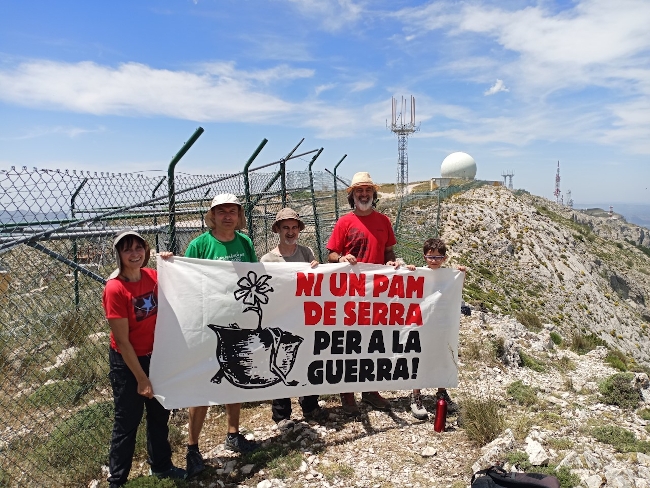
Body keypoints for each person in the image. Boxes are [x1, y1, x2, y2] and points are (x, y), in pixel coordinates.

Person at [183, 193, 260, 477]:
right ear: (212, 216)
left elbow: (256, 278)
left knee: (236, 378)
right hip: (208, 325)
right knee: (202, 386)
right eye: (221, 211)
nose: (227, 216)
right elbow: (185, 279)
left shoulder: (245, 242)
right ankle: (192, 447)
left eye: (232, 211)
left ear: (239, 216)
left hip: (238, 321)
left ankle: (233, 433)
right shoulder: (200, 245)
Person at [103, 230, 186, 487]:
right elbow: (123, 342)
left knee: (159, 416)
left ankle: (161, 466)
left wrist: (171, 262)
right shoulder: (115, 288)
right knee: (127, 422)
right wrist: (141, 379)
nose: (134, 254)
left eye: (139, 248)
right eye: (127, 249)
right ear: (118, 254)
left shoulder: (153, 276)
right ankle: (117, 480)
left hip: (156, 357)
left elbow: (185, 280)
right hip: (128, 363)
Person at [326, 171, 399, 416]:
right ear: (353, 195)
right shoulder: (344, 222)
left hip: (377, 294)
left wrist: (391, 263)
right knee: (349, 343)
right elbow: (331, 255)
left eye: (368, 190)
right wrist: (342, 257)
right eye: (359, 191)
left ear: (373, 194)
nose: (364, 194)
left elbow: (388, 251)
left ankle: (370, 391)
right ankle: (347, 395)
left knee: (373, 343)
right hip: (349, 294)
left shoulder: (384, 221)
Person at [260, 208, 329, 430]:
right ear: (278, 230)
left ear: (299, 230)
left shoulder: (306, 253)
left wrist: (317, 269)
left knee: (308, 359)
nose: (290, 232)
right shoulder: (267, 259)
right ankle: (281, 415)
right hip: (279, 320)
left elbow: (316, 283)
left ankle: (310, 405)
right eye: (285, 227)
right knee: (280, 362)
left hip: (305, 318)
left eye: (294, 227)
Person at [406, 237, 465, 420]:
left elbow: (456, 291)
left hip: (443, 325)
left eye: (438, 257)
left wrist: (461, 273)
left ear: (445, 258)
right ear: (424, 257)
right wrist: (407, 272)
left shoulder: (449, 275)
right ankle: (416, 395)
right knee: (420, 357)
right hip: (422, 325)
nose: (434, 261)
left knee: (443, 357)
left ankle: (441, 393)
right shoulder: (419, 273)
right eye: (430, 257)